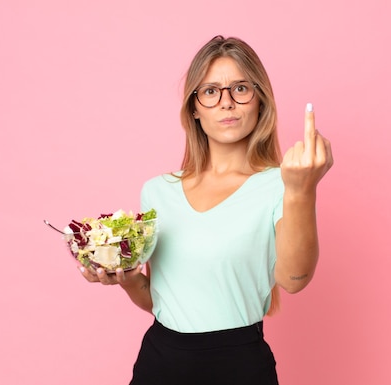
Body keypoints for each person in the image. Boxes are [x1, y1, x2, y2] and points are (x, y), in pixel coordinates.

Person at [78, 35, 334, 385]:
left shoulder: (283, 183)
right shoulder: (157, 192)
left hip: (240, 365)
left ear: (259, 100)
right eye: (211, 91)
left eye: (240, 88)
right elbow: (161, 301)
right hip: (159, 364)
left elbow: (294, 280)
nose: (226, 103)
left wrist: (301, 191)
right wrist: (123, 277)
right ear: (194, 107)